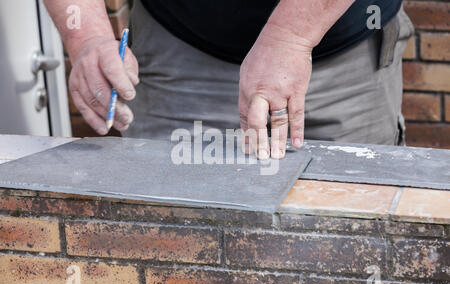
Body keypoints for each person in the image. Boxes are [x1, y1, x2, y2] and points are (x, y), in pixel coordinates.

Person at [44, 0, 414, 160]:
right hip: (179, 48)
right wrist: (86, 37)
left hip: (345, 59)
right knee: (173, 247)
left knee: (345, 247)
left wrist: (291, 35)